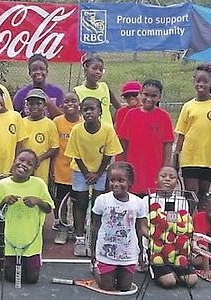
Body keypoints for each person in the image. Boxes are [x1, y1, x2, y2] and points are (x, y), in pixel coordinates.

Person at [64, 97, 123, 257]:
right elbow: (75, 155)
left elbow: (109, 154)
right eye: (85, 109)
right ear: (81, 112)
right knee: (80, 203)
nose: (89, 112)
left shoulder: (107, 130)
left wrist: (97, 174)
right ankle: (80, 238)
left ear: (100, 112)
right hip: (80, 171)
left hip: (101, 171)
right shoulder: (77, 130)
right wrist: (86, 174)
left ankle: (97, 236)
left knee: (99, 203)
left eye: (92, 109)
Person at [0, 149, 54, 285]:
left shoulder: (39, 184)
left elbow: (48, 208)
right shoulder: (2, 184)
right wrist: (4, 202)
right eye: (21, 160)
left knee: (32, 279)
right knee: (10, 277)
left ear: (33, 170)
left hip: (31, 242)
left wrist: (37, 201)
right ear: (14, 161)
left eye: (29, 164)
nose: (23, 164)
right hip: (9, 242)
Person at [175, 64, 211, 210]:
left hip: (207, 159)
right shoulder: (188, 106)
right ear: (194, 81)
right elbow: (181, 134)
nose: (201, 84)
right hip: (190, 158)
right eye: (198, 81)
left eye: (205, 81)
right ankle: (187, 226)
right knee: (190, 194)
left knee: (203, 194)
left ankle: (200, 226)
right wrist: (175, 156)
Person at [91, 162, 147, 291]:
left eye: (121, 180)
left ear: (130, 182)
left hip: (128, 253)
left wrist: (141, 252)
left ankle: (115, 271)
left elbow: (140, 229)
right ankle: (97, 268)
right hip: (106, 251)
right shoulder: (102, 200)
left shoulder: (138, 203)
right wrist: (93, 251)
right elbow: (95, 227)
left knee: (124, 287)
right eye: (112, 180)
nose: (116, 184)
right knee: (107, 287)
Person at [144, 166, 198, 289]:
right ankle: (156, 268)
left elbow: (185, 225)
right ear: (156, 180)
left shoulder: (182, 200)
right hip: (156, 250)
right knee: (170, 282)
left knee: (192, 281)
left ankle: (175, 268)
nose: (167, 179)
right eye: (163, 176)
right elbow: (142, 228)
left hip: (177, 249)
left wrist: (186, 242)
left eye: (172, 177)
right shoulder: (147, 199)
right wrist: (157, 238)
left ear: (177, 182)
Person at [118, 79, 174, 197]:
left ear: (159, 97)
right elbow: (123, 142)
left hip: (155, 168)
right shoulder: (131, 115)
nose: (149, 99)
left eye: (153, 96)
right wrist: (122, 165)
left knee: (153, 203)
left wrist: (165, 167)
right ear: (141, 93)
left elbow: (168, 144)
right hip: (133, 167)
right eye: (146, 95)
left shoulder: (164, 117)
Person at [51, 92, 82, 244]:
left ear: (79, 104)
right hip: (61, 170)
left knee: (78, 202)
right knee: (60, 201)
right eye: (66, 101)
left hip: (78, 172)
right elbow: (53, 146)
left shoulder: (83, 123)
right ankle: (62, 227)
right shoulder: (57, 122)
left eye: (73, 101)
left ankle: (77, 228)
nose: (70, 104)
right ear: (61, 105)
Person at [22, 89, 59, 184]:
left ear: (44, 105)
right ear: (27, 105)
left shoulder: (50, 124)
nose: (35, 107)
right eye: (31, 104)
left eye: (38, 104)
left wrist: (40, 158)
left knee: (38, 190)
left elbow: (54, 148)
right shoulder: (21, 122)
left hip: (41, 167)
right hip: (23, 164)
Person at [72, 56, 121, 126]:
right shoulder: (77, 91)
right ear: (86, 70)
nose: (98, 72)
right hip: (87, 131)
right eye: (94, 69)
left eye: (101, 70)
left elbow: (119, 108)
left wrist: (113, 122)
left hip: (107, 131)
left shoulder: (105, 87)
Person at [12, 54, 64, 118]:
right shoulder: (21, 94)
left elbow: (62, 118)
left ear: (47, 72)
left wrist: (49, 103)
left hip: (51, 127)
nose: (38, 72)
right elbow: (14, 117)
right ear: (29, 73)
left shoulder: (58, 92)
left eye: (42, 69)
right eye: (34, 69)